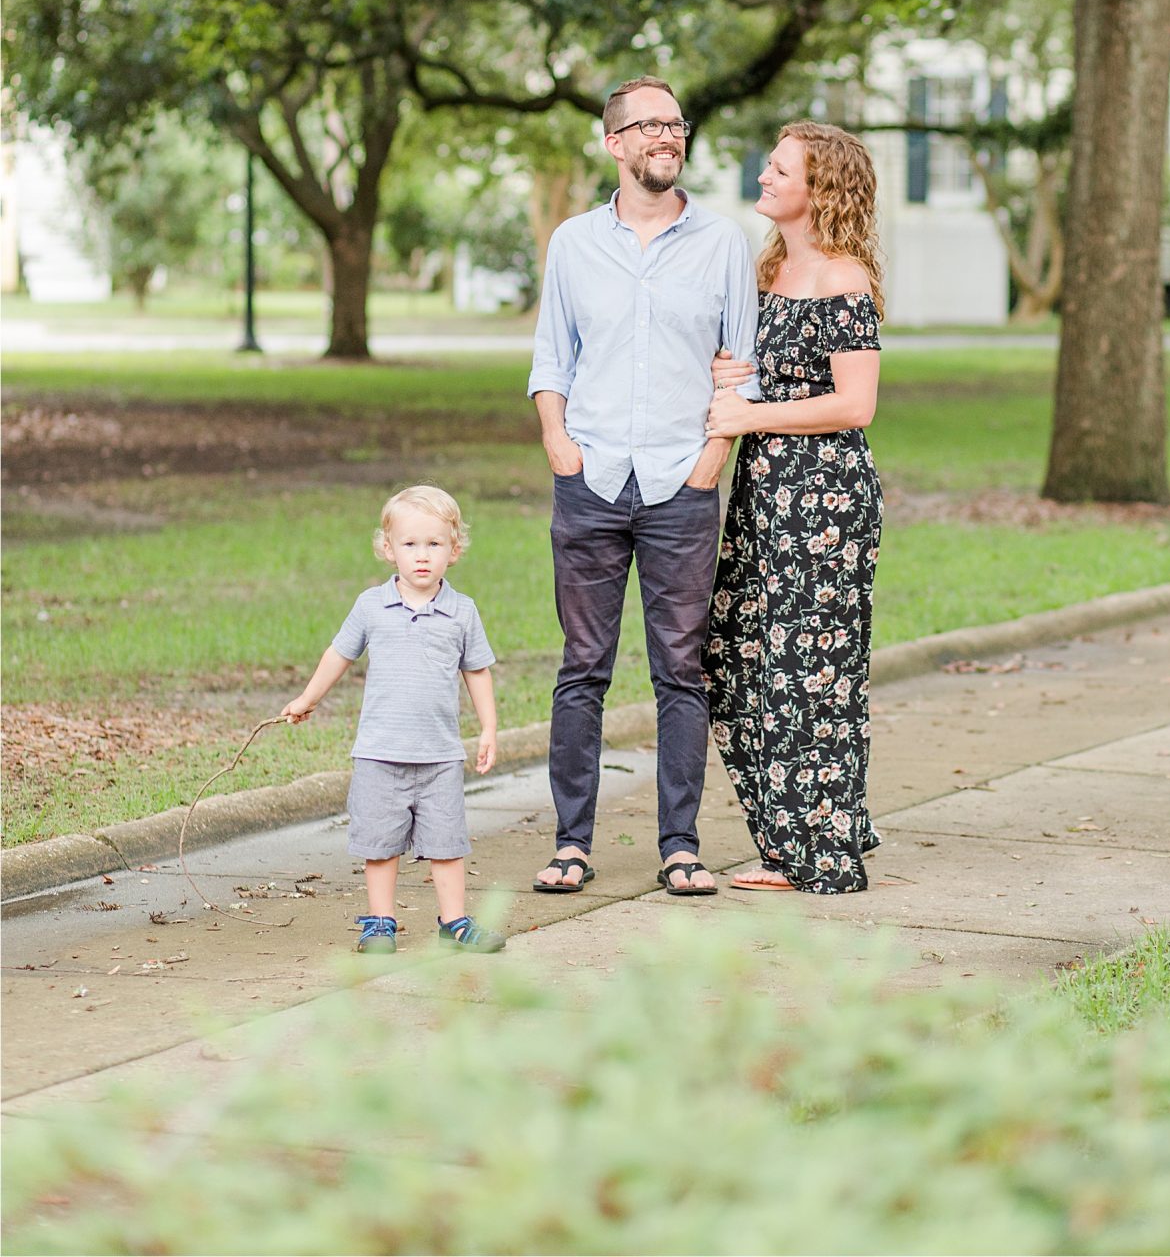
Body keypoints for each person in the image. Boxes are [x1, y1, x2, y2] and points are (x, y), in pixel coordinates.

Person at [528, 75, 760, 899]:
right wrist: (560, 444)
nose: (667, 135)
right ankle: (570, 843)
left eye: (676, 123)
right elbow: (552, 358)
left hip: (681, 485)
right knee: (582, 667)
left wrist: (709, 464)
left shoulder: (724, 243)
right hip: (590, 479)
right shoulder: (573, 243)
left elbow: (745, 369)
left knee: (680, 673)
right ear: (614, 143)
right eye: (649, 125)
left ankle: (680, 845)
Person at [703, 122, 884, 893]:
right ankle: (795, 834)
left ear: (822, 190)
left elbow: (856, 403)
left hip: (825, 499)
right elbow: (761, 373)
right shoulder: (771, 268)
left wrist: (750, 417)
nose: (766, 176)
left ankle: (823, 854)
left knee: (814, 672)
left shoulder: (843, 278)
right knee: (740, 660)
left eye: (781, 169)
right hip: (765, 491)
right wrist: (732, 377)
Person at [281, 483, 505, 952]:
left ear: (454, 550)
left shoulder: (462, 612)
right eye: (409, 544)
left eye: (434, 544)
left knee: (446, 847)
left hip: (440, 756)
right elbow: (339, 654)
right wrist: (308, 697)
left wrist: (488, 728)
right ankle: (380, 923)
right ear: (388, 549)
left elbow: (477, 672)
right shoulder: (371, 606)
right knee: (379, 847)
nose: (422, 556)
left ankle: (455, 923)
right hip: (380, 755)